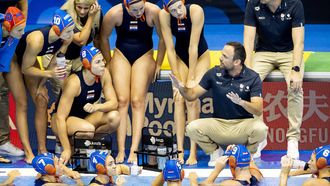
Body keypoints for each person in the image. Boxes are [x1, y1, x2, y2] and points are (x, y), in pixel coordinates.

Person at [170, 42, 268, 167]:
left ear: (237, 62)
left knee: (261, 129)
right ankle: (215, 152)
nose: (220, 57)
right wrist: (181, 88)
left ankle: (247, 153)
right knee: (191, 128)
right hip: (219, 125)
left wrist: (242, 102)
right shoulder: (213, 73)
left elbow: (258, 110)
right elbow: (192, 95)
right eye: (222, 54)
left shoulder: (252, 77)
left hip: (242, 125)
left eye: (225, 56)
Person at [100, 0, 165, 164]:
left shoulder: (153, 11)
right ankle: (121, 150)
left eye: (141, 8)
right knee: (122, 100)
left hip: (145, 55)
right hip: (121, 54)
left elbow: (164, 38)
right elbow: (103, 37)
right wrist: (109, 61)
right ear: (126, 6)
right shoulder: (115, 13)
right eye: (134, 10)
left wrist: (158, 63)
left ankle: (134, 151)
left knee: (137, 100)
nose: (138, 13)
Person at [244, 0, 305, 159]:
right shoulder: (253, 4)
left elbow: (299, 42)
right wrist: (247, 71)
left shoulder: (294, 4)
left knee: (295, 86)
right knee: (248, 85)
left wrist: (296, 70)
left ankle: (293, 139)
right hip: (263, 53)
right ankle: (259, 137)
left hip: (289, 53)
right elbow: (249, 41)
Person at [14, 8, 75, 156]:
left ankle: (42, 150)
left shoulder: (66, 38)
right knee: (22, 102)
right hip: (15, 60)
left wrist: (41, 85)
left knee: (41, 100)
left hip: (30, 61)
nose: (71, 35)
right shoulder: (37, 40)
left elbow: (54, 63)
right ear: (57, 29)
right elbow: (25, 69)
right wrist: (48, 73)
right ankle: (28, 151)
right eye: (68, 31)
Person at [159, 0, 210, 165]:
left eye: (179, 7)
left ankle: (193, 152)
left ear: (183, 2)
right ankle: (180, 150)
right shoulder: (164, 16)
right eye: (173, 11)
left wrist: (191, 78)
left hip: (200, 56)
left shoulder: (196, 11)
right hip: (180, 57)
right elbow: (170, 48)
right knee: (179, 98)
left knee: (192, 98)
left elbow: (193, 47)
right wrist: (176, 77)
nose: (178, 12)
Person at [51, 46, 120, 165]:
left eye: (102, 60)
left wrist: (97, 107)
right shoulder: (74, 82)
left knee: (115, 117)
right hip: (64, 120)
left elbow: (114, 103)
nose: (103, 64)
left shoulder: (104, 74)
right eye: (98, 62)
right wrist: (67, 150)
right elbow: (60, 118)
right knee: (88, 129)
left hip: (86, 120)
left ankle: (86, 145)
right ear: (87, 64)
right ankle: (67, 145)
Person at [43, 0, 102, 98]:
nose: (82, 11)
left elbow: (97, 38)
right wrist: (91, 17)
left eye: (86, 8)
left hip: (78, 57)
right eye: (79, 7)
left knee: (83, 91)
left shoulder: (97, 13)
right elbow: (81, 40)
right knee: (63, 94)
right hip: (59, 58)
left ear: (92, 7)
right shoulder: (64, 14)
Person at [0, 6, 35, 163]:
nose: (22, 34)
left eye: (23, 29)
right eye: (19, 30)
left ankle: (2, 143)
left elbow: (3, 65)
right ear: (8, 27)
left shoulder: (14, 38)